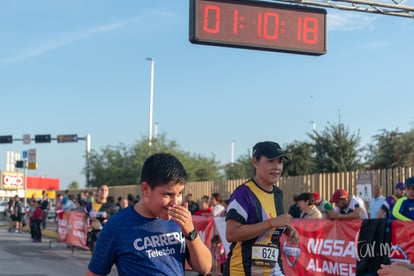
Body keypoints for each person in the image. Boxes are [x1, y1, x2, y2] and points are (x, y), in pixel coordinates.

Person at [86, 153, 212, 276]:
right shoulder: (117, 226)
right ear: (145, 189)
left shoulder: (180, 222)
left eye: (179, 194)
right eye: (167, 195)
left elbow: (205, 268)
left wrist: (190, 232)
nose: (175, 203)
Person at [224, 141, 299, 276]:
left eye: (280, 162)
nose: (277, 167)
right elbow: (231, 234)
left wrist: (287, 228)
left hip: (273, 270)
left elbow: (271, 221)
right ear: (255, 162)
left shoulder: (278, 194)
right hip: (242, 271)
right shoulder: (243, 193)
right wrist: (272, 223)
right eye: (270, 161)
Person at [84, 184, 117, 254]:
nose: (104, 192)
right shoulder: (90, 205)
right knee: (96, 257)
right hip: (94, 235)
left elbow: (117, 220)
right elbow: (84, 216)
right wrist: (86, 225)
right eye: (102, 190)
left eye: (106, 190)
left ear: (108, 193)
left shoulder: (111, 206)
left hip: (107, 236)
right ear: (97, 192)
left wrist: (109, 221)